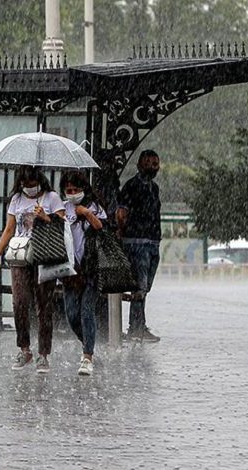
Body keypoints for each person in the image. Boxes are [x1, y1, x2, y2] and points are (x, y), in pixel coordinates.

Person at [0, 166, 65, 374]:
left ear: (39, 181)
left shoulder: (51, 198)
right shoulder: (16, 199)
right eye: (25, 185)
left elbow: (62, 226)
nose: (29, 188)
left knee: (44, 305)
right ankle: (24, 348)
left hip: (44, 256)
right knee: (20, 302)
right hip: (21, 256)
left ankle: (43, 353)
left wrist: (45, 217)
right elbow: (9, 229)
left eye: (32, 184)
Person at [60, 171, 106, 376]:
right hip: (70, 270)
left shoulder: (94, 206)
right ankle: (88, 342)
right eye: (68, 190)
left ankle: (87, 356)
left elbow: (101, 227)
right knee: (72, 314)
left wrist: (86, 212)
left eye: (76, 190)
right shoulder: (62, 208)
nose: (72, 193)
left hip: (91, 268)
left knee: (87, 310)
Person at [116, 149, 162, 342]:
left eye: (155, 163)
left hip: (152, 242)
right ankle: (136, 326)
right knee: (139, 286)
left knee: (145, 286)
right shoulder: (131, 187)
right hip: (136, 242)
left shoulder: (154, 188)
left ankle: (138, 324)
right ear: (139, 165)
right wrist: (123, 234)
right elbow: (121, 214)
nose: (153, 167)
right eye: (149, 163)